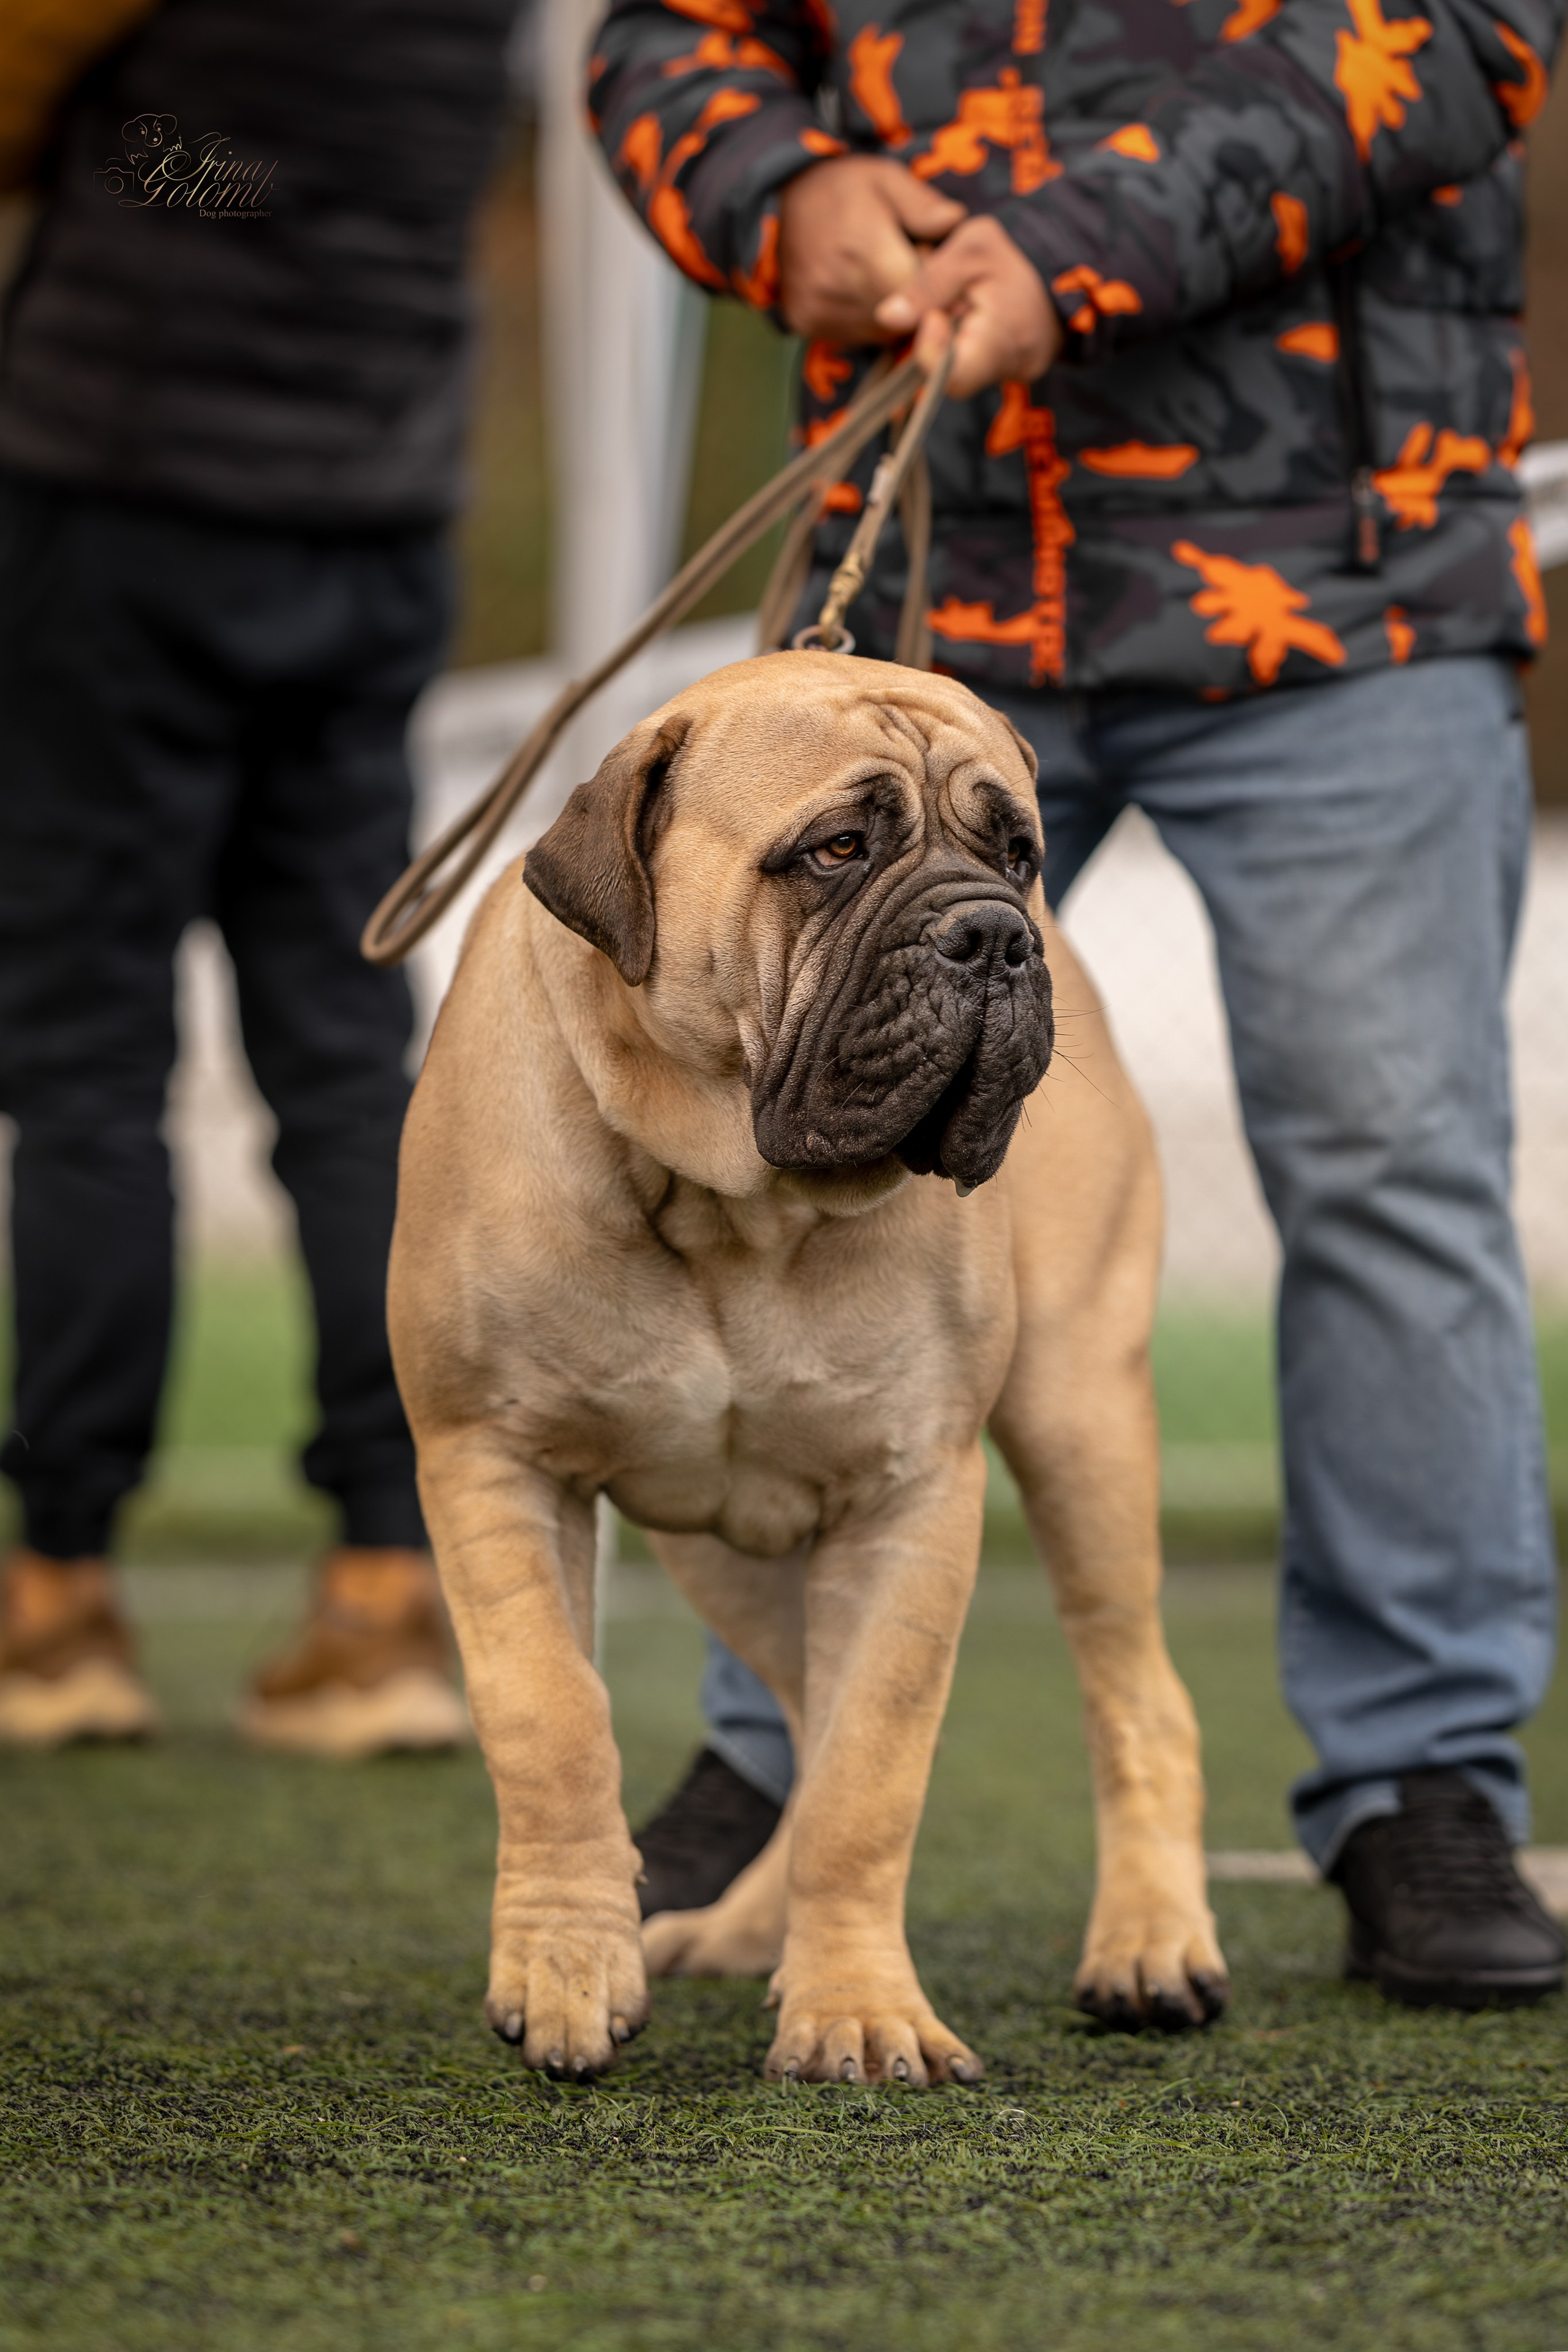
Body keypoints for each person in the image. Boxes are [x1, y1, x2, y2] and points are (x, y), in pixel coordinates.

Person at [591, 0, 1567, 2008]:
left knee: (1394, 1171)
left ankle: (1420, 1778)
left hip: (1343, 585)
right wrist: (792, 192)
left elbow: (1464, 31)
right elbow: (665, 39)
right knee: (772, 1155)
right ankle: (775, 1753)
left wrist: (1077, 242)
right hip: (926, 594)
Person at [0, 0, 517, 1754]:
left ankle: (57, 1593)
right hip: (373, 520)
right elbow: (360, 183)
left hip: (121, 506)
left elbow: (137, 148)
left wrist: (142, 163)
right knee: (349, 1067)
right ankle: (384, 1585)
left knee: (82, 1063)